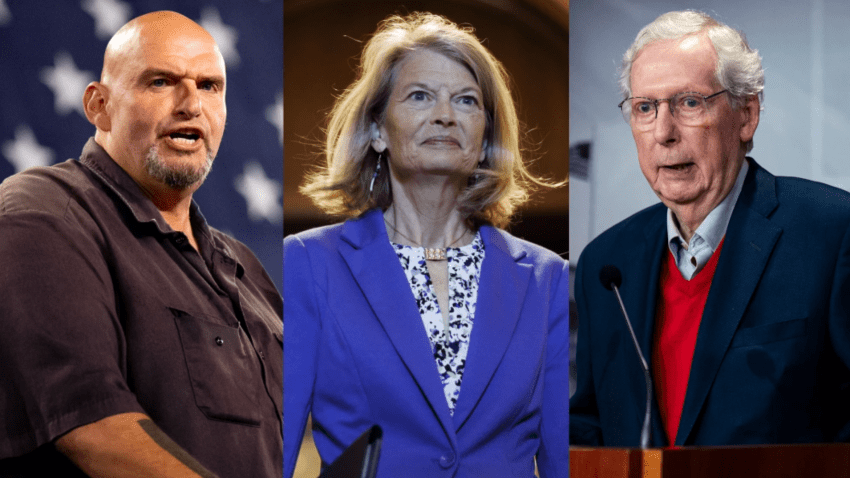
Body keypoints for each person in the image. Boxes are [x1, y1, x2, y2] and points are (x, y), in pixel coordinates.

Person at [284, 12, 569, 478]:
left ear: (483, 140)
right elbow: (275, 443)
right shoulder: (310, 263)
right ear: (377, 130)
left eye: (466, 100)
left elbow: (563, 459)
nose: (445, 114)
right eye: (420, 96)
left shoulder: (546, 278)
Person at [0, 11, 282, 478]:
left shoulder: (245, 268)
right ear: (99, 105)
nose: (191, 104)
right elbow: (93, 430)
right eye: (161, 82)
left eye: (210, 86)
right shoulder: (42, 214)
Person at [570, 10, 850, 447]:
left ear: (746, 115)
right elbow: (593, 423)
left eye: (689, 103)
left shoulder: (831, 232)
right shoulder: (606, 264)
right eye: (646, 108)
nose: (664, 132)